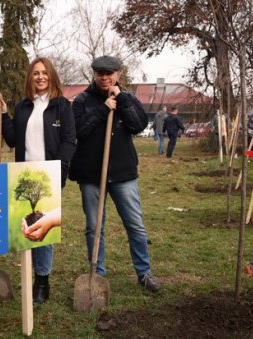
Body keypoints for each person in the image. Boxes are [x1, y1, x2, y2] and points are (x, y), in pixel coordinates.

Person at [69, 55, 161, 293]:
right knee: (94, 226)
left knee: (135, 225)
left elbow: (138, 126)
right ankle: (97, 273)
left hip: (123, 175)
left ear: (117, 75)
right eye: (100, 73)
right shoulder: (82, 101)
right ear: (94, 74)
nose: (104, 77)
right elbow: (79, 131)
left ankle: (144, 272)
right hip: (91, 175)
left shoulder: (128, 98)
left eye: (109, 73)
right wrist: (102, 110)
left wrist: (121, 100)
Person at [0, 57, 76, 304]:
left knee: (45, 232)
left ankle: (42, 280)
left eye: (44, 73)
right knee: (26, 228)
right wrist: (6, 114)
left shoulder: (62, 106)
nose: (40, 77)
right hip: (24, 175)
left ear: (51, 76)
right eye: (35, 73)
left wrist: (59, 169)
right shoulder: (23, 107)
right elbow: (12, 140)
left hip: (49, 175)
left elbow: (69, 141)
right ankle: (28, 273)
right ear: (30, 77)